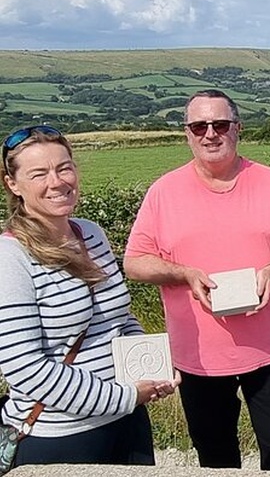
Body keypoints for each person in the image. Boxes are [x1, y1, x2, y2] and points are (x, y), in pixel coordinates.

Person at [124, 89, 270, 476]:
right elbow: (135, 263)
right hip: (198, 354)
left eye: (220, 124)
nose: (210, 133)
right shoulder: (163, 192)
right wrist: (184, 273)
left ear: (237, 128)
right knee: (214, 455)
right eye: (200, 126)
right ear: (187, 133)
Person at [0, 125, 176, 468]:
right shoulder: (11, 258)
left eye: (64, 168)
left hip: (128, 422)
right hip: (60, 437)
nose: (57, 182)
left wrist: (152, 365)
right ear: (13, 184)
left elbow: (118, 319)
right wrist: (123, 396)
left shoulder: (91, 234)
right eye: (39, 174)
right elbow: (25, 368)